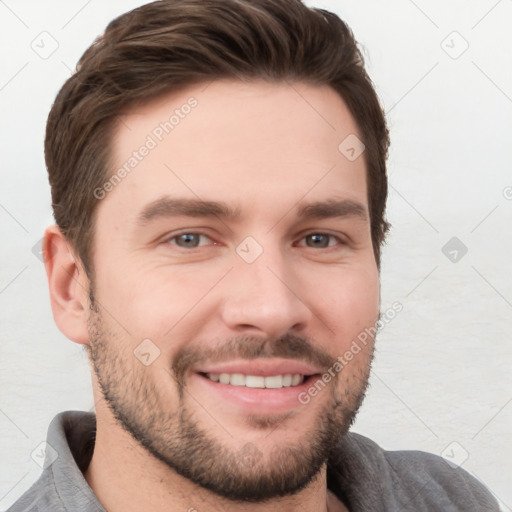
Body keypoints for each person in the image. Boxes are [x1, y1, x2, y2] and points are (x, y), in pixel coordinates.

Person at [8, 1, 499, 511]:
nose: (271, 309)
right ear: (71, 287)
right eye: (190, 239)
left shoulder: (451, 500)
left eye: (319, 239)